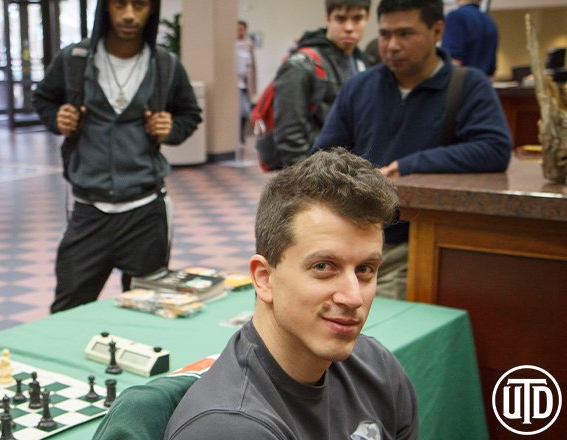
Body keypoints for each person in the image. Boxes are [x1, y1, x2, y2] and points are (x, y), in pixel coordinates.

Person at [164, 148, 418, 439]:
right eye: (324, 266)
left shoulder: (378, 369)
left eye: (365, 269)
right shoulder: (230, 428)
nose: (353, 297)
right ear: (264, 279)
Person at [312, 0, 512, 299]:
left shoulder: (469, 86)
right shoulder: (360, 87)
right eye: (385, 35)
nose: (392, 46)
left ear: (437, 31)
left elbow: (494, 148)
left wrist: (410, 165)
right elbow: (322, 155)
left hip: (417, 244)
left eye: (405, 34)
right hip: (352, 238)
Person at [32, 0, 202, 313]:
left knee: (146, 312)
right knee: (67, 310)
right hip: (89, 210)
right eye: (119, 4)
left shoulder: (165, 64)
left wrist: (171, 128)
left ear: (151, 9)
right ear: (105, 7)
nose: (128, 14)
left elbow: (190, 114)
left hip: (145, 211)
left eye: (139, 5)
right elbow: (43, 98)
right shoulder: (75, 60)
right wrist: (58, 117)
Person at [267, 0, 370, 170]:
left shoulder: (363, 62)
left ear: (367, 19)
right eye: (341, 19)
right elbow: (289, 134)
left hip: (348, 172)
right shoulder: (302, 64)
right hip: (315, 173)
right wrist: (304, 180)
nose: (349, 27)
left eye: (357, 18)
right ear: (328, 18)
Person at [442, 0, 498, 76]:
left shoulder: (455, 17)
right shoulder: (490, 22)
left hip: (460, 84)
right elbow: (491, 67)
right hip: (483, 84)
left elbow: (453, 62)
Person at [236, 20, 257, 145]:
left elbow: (253, 66)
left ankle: (241, 134)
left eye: (242, 29)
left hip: (245, 84)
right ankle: (238, 136)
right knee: (238, 111)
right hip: (234, 85)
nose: (240, 31)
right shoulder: (232, 44)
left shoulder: (248, 45)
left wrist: (254, 85)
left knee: (245, 111)